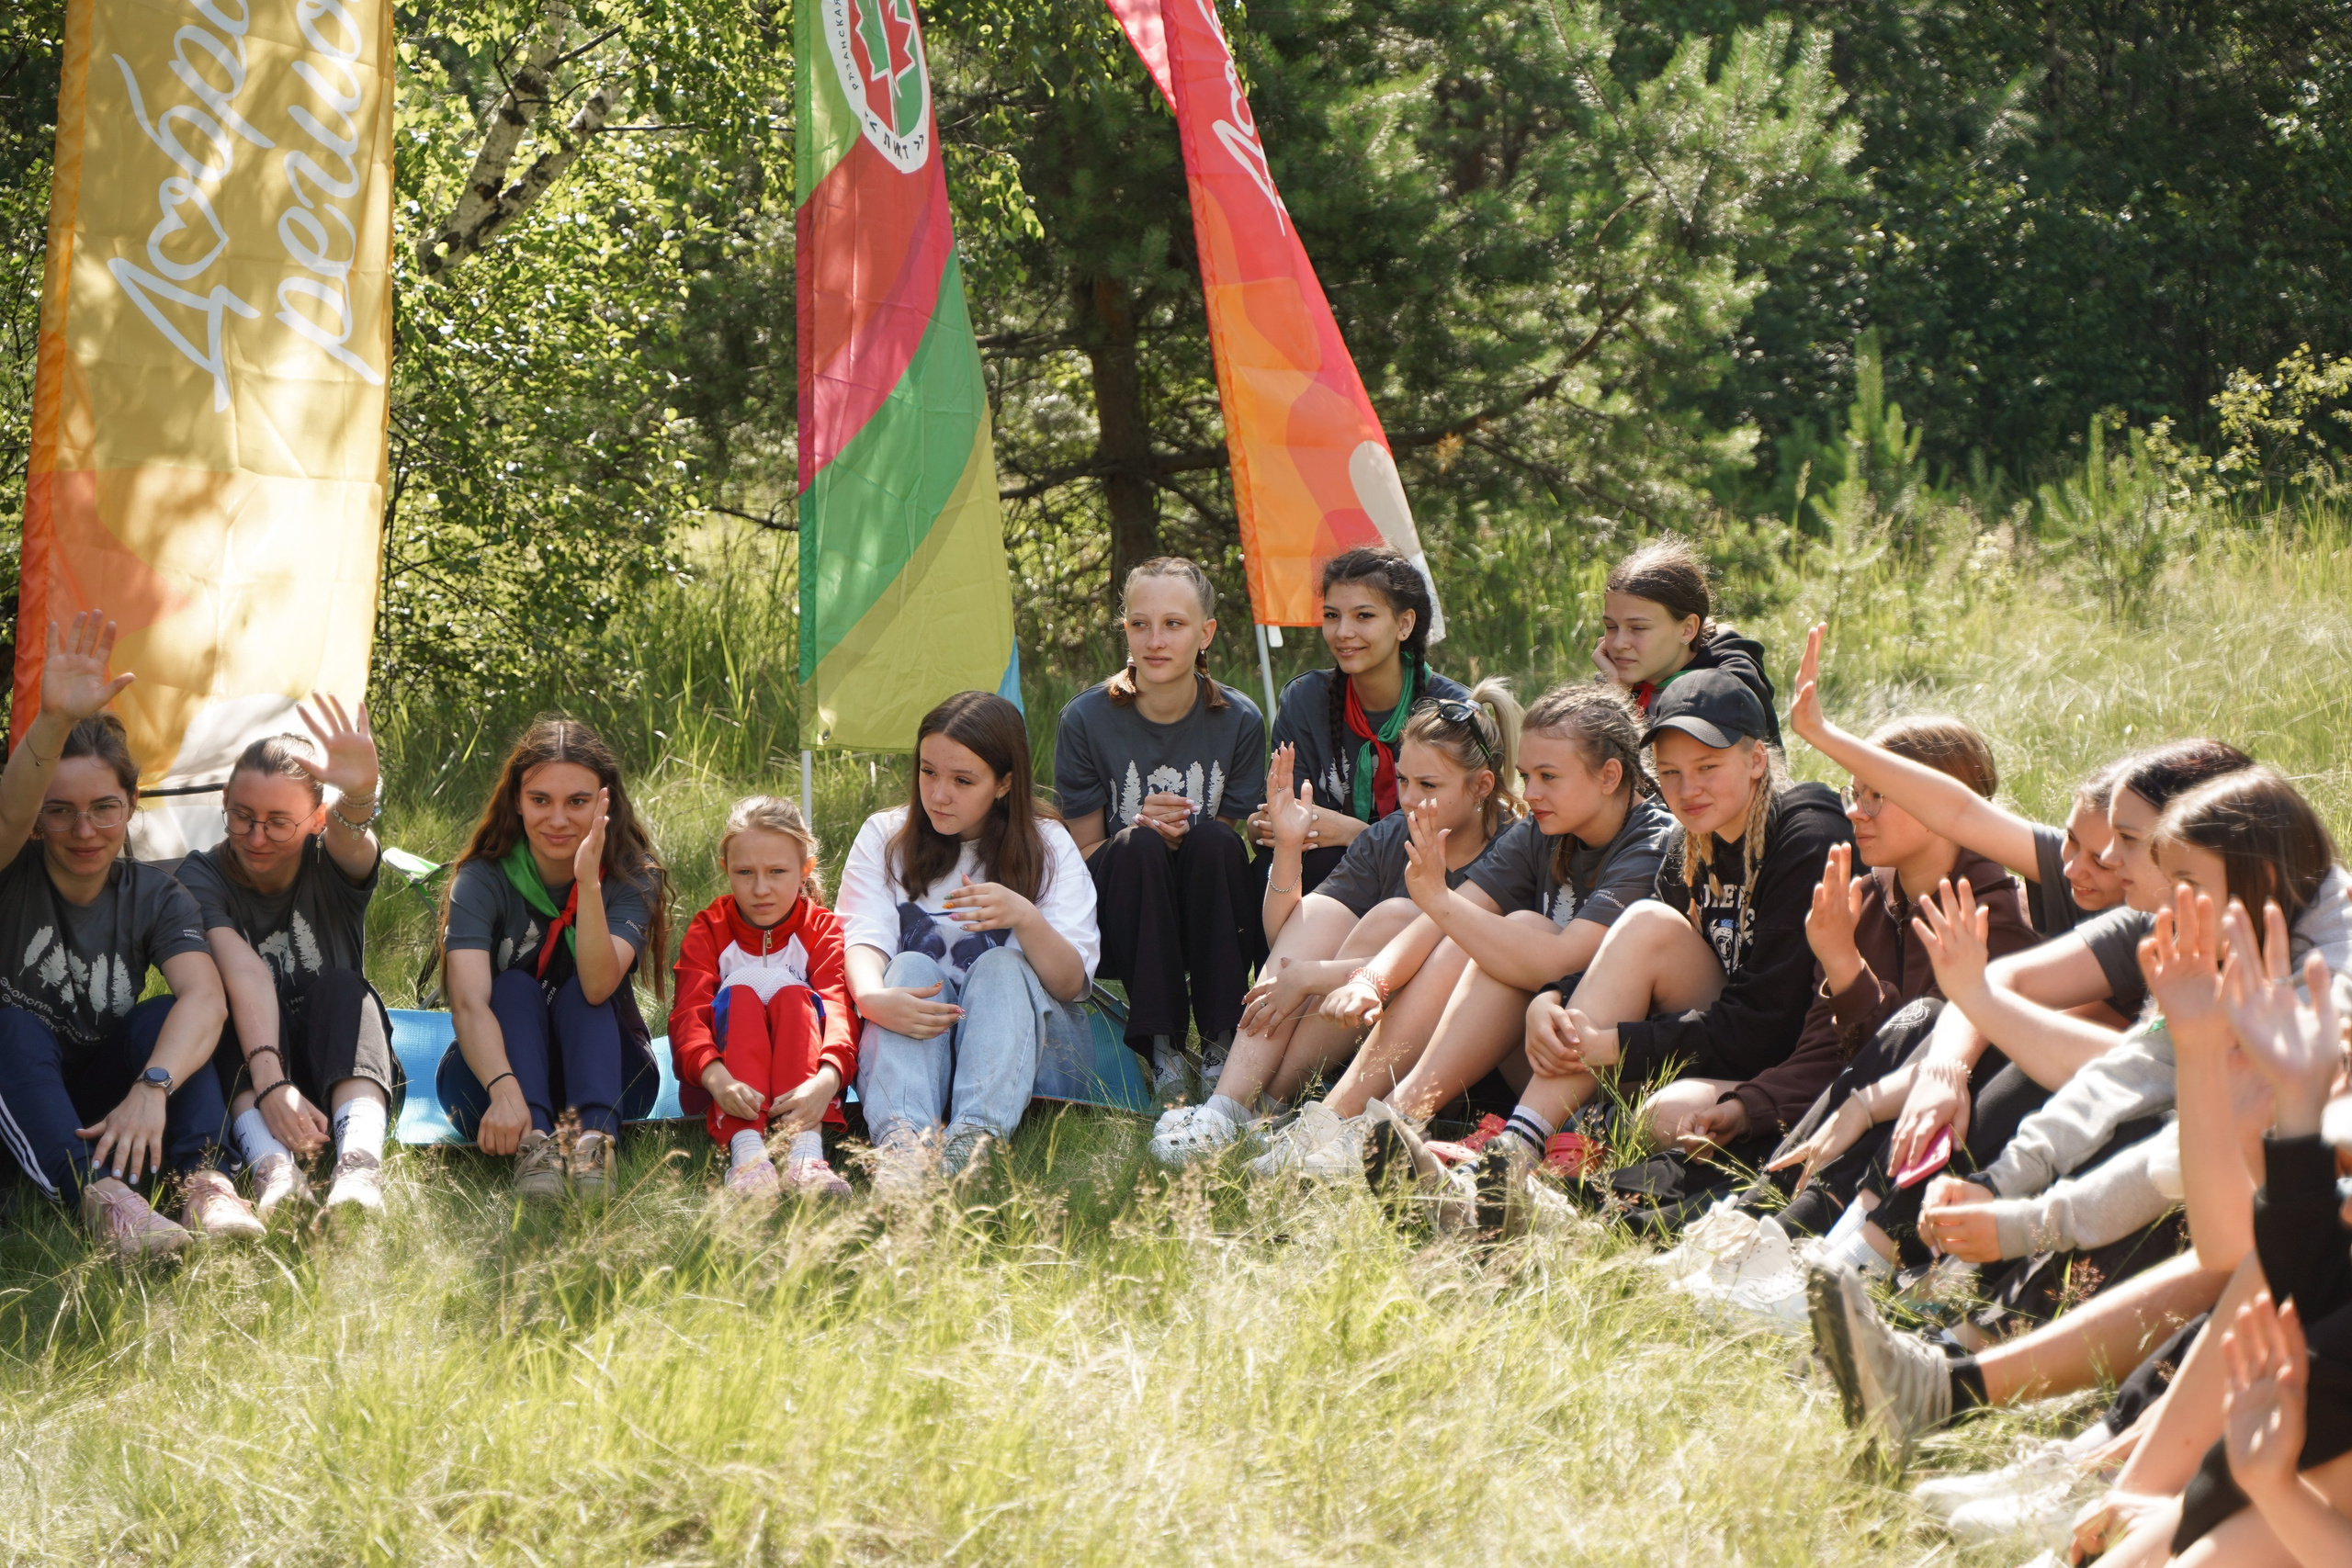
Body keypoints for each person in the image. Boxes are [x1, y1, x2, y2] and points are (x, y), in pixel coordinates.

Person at [1247, 682, 1677, 1180]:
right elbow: (1443, 922)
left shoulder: (1651, 838)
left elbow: (1566, 958)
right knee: (1480, 935)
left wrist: (1437, 904)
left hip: (1625, 1066)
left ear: (1610, 776)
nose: (1531, 793)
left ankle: (1381, 1125)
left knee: (1511, 930)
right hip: (1544, 1044)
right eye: (1527, 776)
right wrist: (1371, 981)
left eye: (1548, 777)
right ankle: (1337, 1124)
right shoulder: (1540, 830)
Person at [1486, 670, 1850, 1226]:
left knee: (1666, 1113)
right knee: (1584, 931)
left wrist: (1613, 1046)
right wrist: (1551, 1000)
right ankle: (1513, 1153)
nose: (1687, 789)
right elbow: (1628, 965)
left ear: (1756, 761)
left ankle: (1534, 1148)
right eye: (1672, 773)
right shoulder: (1687, 842)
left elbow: (1768, 1026)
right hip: (1714, 1042)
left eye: (1708, 768)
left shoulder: (1806, 835)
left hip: (1792, 1066)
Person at [1149, 682, 1524, 1166]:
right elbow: (1287, 935)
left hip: (1467, 1053)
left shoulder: (1513, 849)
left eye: (1428, 786)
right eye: (1404, 781)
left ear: (1482, 787)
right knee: (1331, 913)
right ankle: (1231, 1109)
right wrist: (1287, 847)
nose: (1409, 799)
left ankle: (1269, 1108)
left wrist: (1314, 976)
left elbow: (1441, 965)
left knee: (1400, 915)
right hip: (1367, 1031)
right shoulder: (1393, 833)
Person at [0, 615, 247, 1256]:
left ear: (132, 802)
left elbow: (206, 998)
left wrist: (152, 1084)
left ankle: (205, 1187)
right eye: (60, 810)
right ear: (37, 818)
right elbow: (6, 811)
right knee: (11, 1023)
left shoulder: (156, 893)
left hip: (102, 1101)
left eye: (103, 807)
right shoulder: (11, 867)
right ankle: (104, 1204)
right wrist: (51, 721)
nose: (84, 829)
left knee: (168, 1016)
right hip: (15, 1093)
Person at [836, 692, 1100, 1182]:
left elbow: (1069, 985)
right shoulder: (885, 835)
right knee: (909, 968)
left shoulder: (1047, 843)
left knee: (1002, 965)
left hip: (1029, 1053)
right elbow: (862, 938)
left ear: (1003, 783)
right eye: (928, 771)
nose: (938, 794)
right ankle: (902, 1150)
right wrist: (872, 997)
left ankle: (973, 1149)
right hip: (918, 1040)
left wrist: (1025, 917)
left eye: (962, 780)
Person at [179, 703, 401, 1223]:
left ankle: (358, 1170)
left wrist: (360, 795)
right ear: (225, 804)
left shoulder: (332, 858)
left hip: (347, 1063)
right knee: (219, 1006)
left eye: (279, 823)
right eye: (242, 816)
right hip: (251, 1068)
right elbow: (245, 972)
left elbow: (352, 838)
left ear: (316, 819)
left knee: (346, 988)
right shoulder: (200, 875)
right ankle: (272, 1169)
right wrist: (275, 1085)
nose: (256, 837)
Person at [1056, 557, 1266, 1099]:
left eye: (1173, 624)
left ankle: (1221, 1040)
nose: (1155, 640)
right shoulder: (1085, 719)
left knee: (1217, 840)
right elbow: (1083, 855)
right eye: (1139, 623)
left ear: (1205, 634)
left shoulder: (1240, 721)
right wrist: (1144, 829)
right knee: (1139, 843)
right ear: (1124, 628)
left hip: (1201, 911)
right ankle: (1163, 1048)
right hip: (1120, 910)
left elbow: (1220, 846)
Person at [435, 718, 670, 1201]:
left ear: (606, 803)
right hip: (495, 1084)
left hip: (612, 1081)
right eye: (540, 800)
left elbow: (599, 986)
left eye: (577, 802)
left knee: (583, 993)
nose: (558, 819)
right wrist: (502, 1091)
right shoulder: (483, 879)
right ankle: (535, 1148)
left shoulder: (631, 878)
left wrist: (588, 883)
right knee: (515, 988)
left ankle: (594, 1148)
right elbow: (468, 1004)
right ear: (517, 803)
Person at [1787, 622, 2123, 934]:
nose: (2071, 869)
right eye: (2070, 843)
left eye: (1878, 794)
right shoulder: (1867, 897)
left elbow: (1958, 812)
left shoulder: (1995, 911)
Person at [1245, 546, 1467, 897]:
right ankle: (1287, 954)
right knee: (1275, 867)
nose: (1343, 632)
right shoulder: (1303, 699)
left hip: (1424, 878)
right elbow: (1286, 813)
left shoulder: (1452, 710)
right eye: (1332, 616)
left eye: (1364, 616)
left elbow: (1458, 835)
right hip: (1326, 871)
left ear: (1404, 623)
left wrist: (1354, 832)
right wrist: (1263, 825)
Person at [670, 795, 857, 1202]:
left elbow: (840, 1007)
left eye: (777, 872)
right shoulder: (710, 929)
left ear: (805, 868)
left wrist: (828, 1079)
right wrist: (715, 1077)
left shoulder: (819, 928)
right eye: (744, 872)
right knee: (740, 991)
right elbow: (687, 1016)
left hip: (807, 1087)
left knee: (793, 995)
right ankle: (748, 1159)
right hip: (724, 1085)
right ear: (725, 869)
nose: (760, 889)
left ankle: (806, 1157)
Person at [1593, 536, 1780, 746]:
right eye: (1611, 626)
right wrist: (1616, 697)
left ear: (1687, 629)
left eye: (1638, 628)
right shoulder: (1615, 681)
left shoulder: (1726, 689)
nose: (1618, 644)